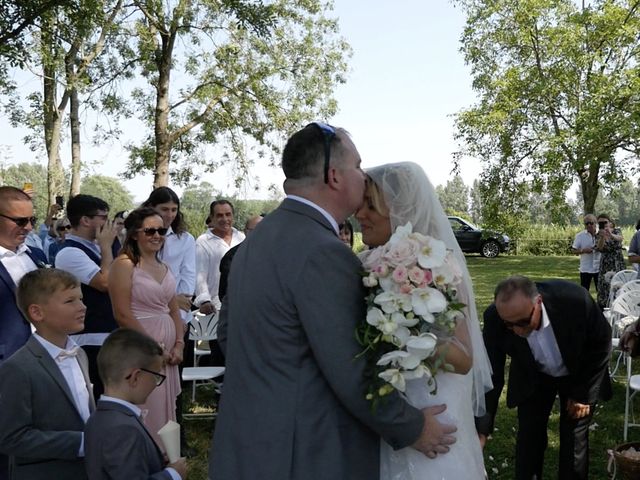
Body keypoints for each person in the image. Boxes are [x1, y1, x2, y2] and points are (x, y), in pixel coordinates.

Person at [210, 123, 455, 480]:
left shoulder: (256, 242)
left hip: (249, 442)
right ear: (334, 176)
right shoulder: (322, 252)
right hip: (304, 451)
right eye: (357, 166)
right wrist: (414, 427)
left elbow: (228, 335)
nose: (363, 175)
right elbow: (351, 369)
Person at [355, 162, 493, 480]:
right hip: (388, 420)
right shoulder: (366, 265)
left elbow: (463, 358)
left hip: (435, 421)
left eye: (370, 205)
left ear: (402, 210)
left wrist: (404, 332)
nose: (359, 213)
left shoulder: (439, 266)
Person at [476, 275, 612, 480]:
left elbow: (601, 343)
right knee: (529, 437)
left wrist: (584, 395)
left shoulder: (574, 300)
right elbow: (491, 374)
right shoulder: (495, 318)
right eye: (509, 325)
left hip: (576, 373)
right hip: (533, 375)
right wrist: (482, 429)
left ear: (538, 302)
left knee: (574, 437)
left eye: (523, 322)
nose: (518, 330)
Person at [0, 268, 94, 480]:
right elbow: (11, 437)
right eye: (70, 301)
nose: (82, 306)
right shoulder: (18, 368)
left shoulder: (80, 355)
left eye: (81, 298)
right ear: (37, 312)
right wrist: (82, 443)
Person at [108, 207, 183, 451]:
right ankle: (143, 459)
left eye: (161, 230)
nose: (157, 235)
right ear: (134, 234)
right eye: (150, 230)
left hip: (169, 353)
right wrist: (153, 350)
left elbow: (173, 310)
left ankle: (165, 456)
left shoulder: (165, 267)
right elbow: (122, 314)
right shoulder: (125, 264)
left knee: (165, 408)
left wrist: (179, 344)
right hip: (140, 350)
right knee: (146, 404)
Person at [85, 328, 187, 480]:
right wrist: (172, 475)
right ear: (135, 377)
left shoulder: (98, 418)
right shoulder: (122, 429)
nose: (156, 384)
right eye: (156, 376)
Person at [142, 187, 196, 456]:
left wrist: (181, 321)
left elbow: (187, 279)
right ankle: (146, 438)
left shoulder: (184, 239)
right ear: (152, 207)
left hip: (175, 319)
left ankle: (176, 439)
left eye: (174, 210)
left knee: (175, 384)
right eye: (164, 209)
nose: (170, 215)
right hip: (144, 316)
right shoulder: (138, 236)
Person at [0, 186, 48, 480]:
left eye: (32, 219)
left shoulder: (33, 256)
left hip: (39, 364)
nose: (29, 227)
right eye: (20, 221)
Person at [54, 194, 120, 399]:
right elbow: (106, 283)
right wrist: (107, 247)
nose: (107, 224)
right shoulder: (69, 253)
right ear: (85, 220)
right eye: (103, 218)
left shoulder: (97, 246)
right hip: (90, 338)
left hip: (109, 334)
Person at [194, 199, 244, 314]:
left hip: (241, 305)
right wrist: (204, 301)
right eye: (220, 215)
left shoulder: (241, 238)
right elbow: (200, 275)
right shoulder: (203, 242)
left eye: (228, 214)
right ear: (212, 218)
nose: (225, 219)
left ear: (233, 216)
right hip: (215, 308)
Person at [217, 215, 263, 302]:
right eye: (254, 230)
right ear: (245, 232)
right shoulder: (232, 257)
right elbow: (224, 293)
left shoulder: (275, 255)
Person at [594, 214, 625, 308]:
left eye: (605, 222)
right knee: (605, 288)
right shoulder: (598, 234)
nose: (604, 224)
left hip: (617, 262)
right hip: (605, 264)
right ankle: (604, 310)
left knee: (619, 287)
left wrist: (610, 234)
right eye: (601, 223)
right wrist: (603, 237)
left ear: (610, 222)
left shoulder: (616, 231)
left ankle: (619, 308)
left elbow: (620, 239)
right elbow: (599, 247)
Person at [571, 214, 599, 292]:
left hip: (599, 267)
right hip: (586, 268)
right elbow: (573, 250)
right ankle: (585, 304)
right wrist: (583, 250)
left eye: (591, 223)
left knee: (600, 291)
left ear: (595, 223)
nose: (589, 225)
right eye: (587, 223)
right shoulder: (580, 236)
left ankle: (600, 304)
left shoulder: (601, 234)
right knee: (584, 291)